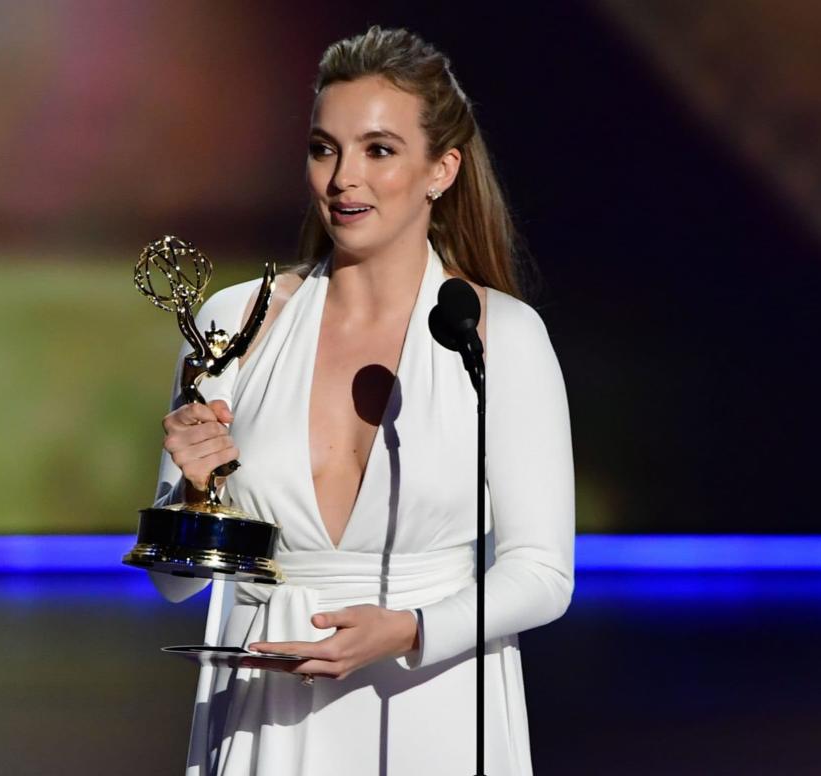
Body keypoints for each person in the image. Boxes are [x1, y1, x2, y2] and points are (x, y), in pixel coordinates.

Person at [150, 26, 573, 776]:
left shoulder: (501, 335)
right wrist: (194, 488)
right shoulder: (232, 324)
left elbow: (542, 572)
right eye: (324, 148)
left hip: (437, 705)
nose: (344, 177)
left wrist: (409, 630)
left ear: (441, 169)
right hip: (270, 713)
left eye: (379, 150)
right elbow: (174, 581)